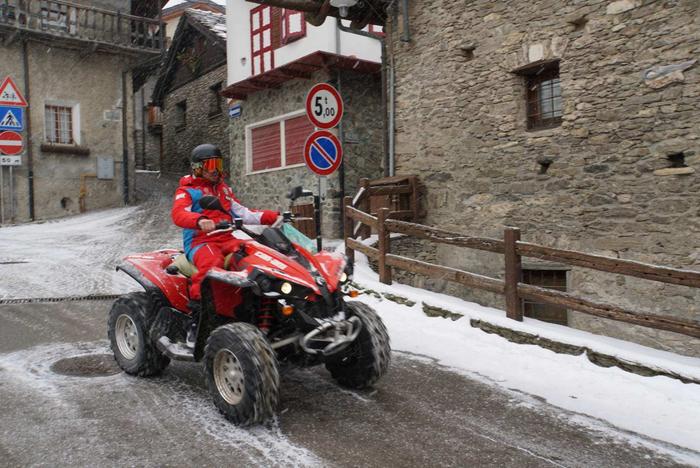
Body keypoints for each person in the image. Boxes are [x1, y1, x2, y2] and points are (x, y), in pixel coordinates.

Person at [171, 143, 279, 345]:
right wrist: (199, 221)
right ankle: (196, 321)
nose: (216, 169)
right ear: (198, 167)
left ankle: (257, 309)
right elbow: (178, 214)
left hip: (227, 238)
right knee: (213, 265)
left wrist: (273, 217)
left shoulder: (223, 190)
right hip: (201, 241)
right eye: (211, 164)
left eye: (218, 164)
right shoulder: (187, 191)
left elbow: (243, 213)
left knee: (256, 256)